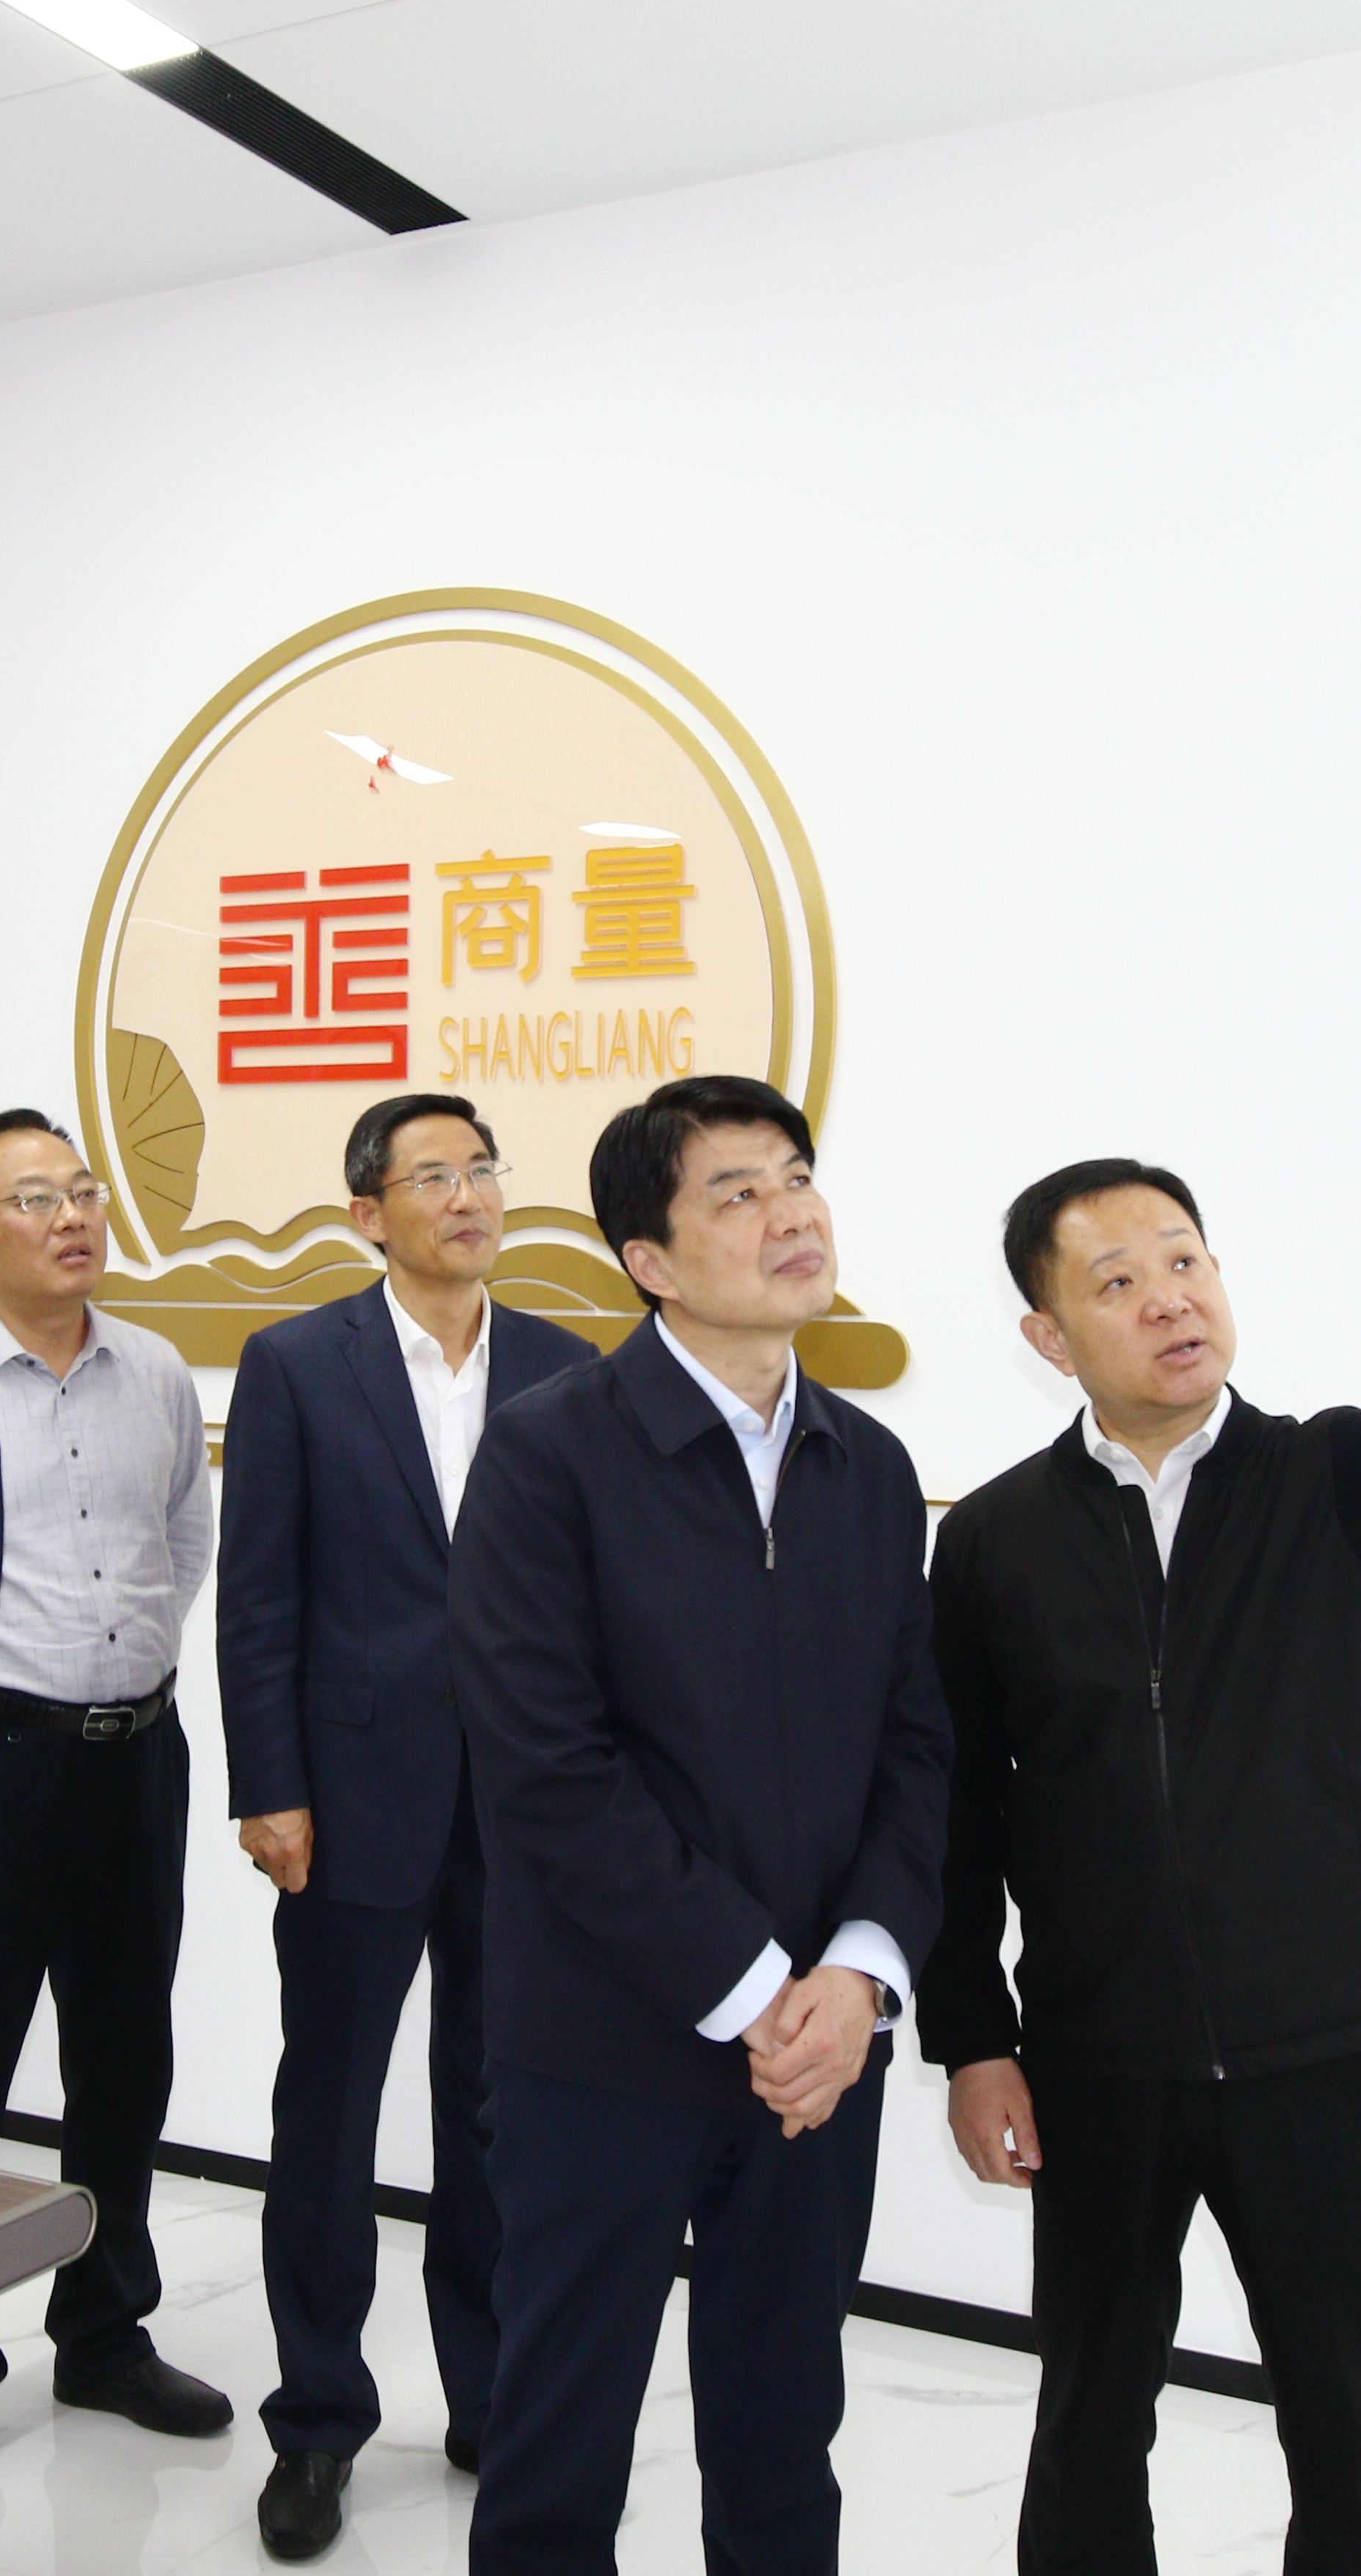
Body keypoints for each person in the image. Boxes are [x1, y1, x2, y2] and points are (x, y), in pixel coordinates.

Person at [918, 1066, 1361, 2576]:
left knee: (1347, 2416)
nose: (1168, 1297)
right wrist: (972, 2039)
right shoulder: (997, 1539)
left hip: (1319, 2042)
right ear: (1047, 1336)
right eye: (1117, 1279)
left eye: (1185, 1260)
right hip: (1097, 2055)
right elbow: (956, 1812)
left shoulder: (1344, 1481)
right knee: (1089, 2411)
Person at [450, 1074, 948, 2576]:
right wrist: (756, 1988)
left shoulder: (870, 1466)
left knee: (785, 2433)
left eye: (795, 1177)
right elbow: (549, 1772)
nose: (790, 1212)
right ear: (647, 1259)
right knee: (559, 2445)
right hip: (604, 2042)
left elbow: (917, 1749)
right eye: (737, 1191)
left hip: (821, 2051)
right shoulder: (549, 1454)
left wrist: (856, 1976)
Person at [217, 1091, 593, 2561]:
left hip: (523, 1808)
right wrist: (270, 1783)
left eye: (482, 1168)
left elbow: (593, 1602)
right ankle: (317, 2419)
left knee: (503, 2115)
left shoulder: (563, 1366)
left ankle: (492, 2401)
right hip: (350, 1798)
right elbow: (260, 1595)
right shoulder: (297, 1364)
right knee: (329, 2113)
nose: (469, 1195)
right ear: (367, 1211)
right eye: (434, 1174)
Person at [0, 1107, 230, 2492]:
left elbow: (182, 1539)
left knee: (125, 2055)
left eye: (82, 1189)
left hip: (137, 1752)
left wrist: (120, 1676)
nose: (73, 1215)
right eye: (34, 1198)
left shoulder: (150, 1366)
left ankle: (103, 2332)